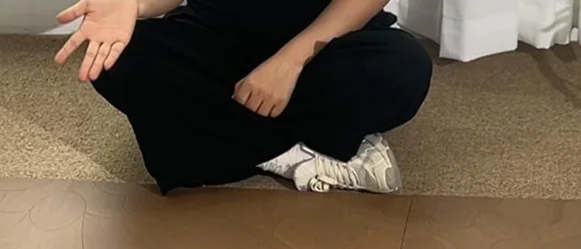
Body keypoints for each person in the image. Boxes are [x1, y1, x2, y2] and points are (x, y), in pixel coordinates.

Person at [53, 0, 431, 195]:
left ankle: (216, 145)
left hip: (321, 43)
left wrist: (289, 62)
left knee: (401, 67)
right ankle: (297, 154)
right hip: (216, 36)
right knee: (115, 59)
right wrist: (132, 4)